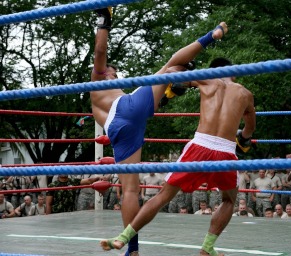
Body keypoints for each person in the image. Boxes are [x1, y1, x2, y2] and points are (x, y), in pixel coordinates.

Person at [100, 26, 256, 256]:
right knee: (229, 200)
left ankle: (123, 238)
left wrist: (181, 80)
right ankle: (207, 248)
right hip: (226, 150)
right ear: (233, 73)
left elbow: (171, 69)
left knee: (164, 195)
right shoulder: (245, 93)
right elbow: (250, 128)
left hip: (200, 146)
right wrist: (243, 139)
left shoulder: (205, 79)